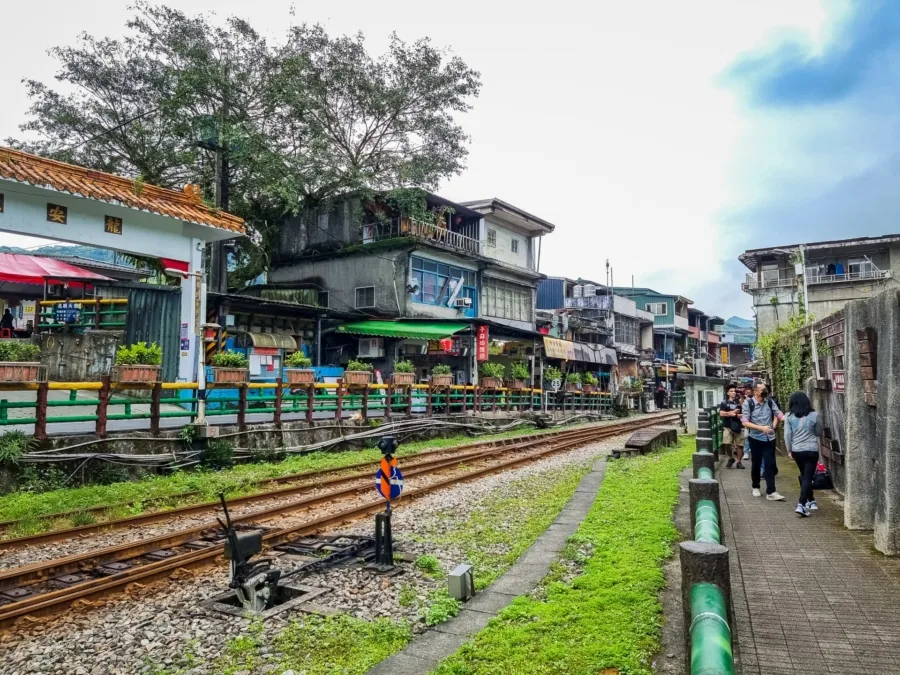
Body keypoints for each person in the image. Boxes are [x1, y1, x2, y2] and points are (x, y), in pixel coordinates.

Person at [741, 382, 786, 500]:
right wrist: (760, 428)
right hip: (755, 438)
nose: (765, 391)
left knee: (770, 464)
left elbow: (778, 413)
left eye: (765, 389)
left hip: (769, 438)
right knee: (756, 463)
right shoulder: (748, 403)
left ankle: (771, 492)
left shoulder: (770, 401)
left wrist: (786, 419)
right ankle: (755, 486)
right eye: (763, 389)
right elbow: (745, 422)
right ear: (755, 391)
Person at [785, 391, 821, 517]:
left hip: (797, 450)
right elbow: (818, 433)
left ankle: (810, 501)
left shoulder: (789, 416)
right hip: (811, 450)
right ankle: (802, 504)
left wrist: (789, 450)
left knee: (805, 475)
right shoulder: (815, 415)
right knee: (807, 476)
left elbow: (787, 435)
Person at [719, 384, 744, 468]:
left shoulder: (740, 403)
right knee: (726, 443)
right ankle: (730, 457)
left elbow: (744, 414)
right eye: (731, 391)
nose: (733, 393)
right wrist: (731, 413)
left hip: (738, 426)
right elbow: (721, 413)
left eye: (734, 391)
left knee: (739, 445)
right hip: (727, 426)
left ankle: (739, 462)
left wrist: (736, 415)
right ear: (728, 393)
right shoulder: (724, 402)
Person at [741, 384, 753, 461]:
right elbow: (743, 409)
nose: (747, 391)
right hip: (747, 421)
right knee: (746, 437)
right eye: (746, 389)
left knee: (751, 437)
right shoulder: (745, 399)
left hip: (755, 421)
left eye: (749, 389)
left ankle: (750, 451)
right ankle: (746, 452)